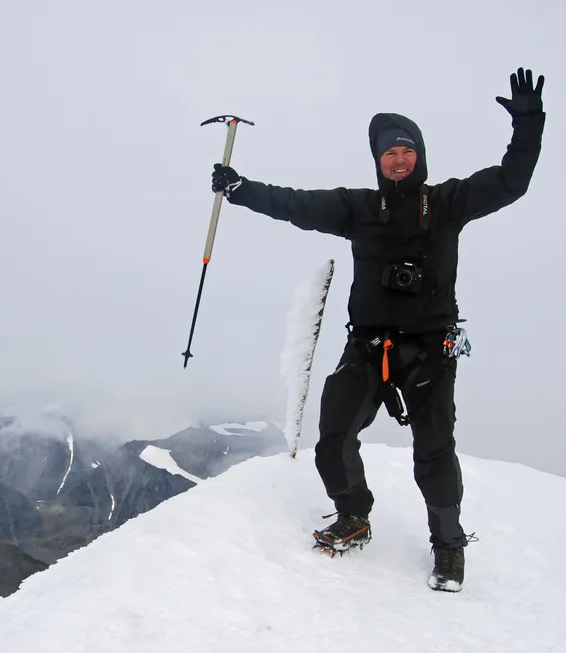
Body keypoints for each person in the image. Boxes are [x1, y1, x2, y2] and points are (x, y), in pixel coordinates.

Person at [210, 67, 545, 592]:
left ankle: (449, 547)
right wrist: (242, 189)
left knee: (434, 451)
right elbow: (295, 204)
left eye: (407, 150)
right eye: (390, 152)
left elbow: (511, 181)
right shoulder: (357, 207)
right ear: (378, 160)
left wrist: (528, 125)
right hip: (367, 344)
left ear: (421, 156)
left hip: (431, 348)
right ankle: (354, 516)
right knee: (333, 439)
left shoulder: (449, 202)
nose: (399, 159)